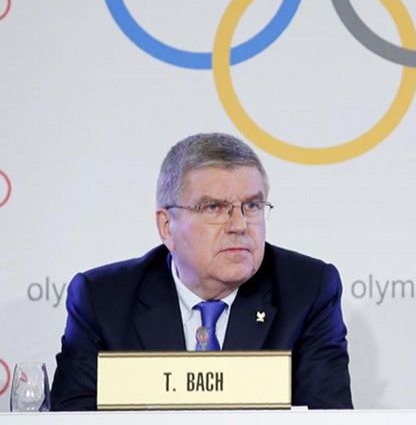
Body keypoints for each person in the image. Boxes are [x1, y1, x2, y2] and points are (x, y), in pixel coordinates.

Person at [50, 132, 352, 410]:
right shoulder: (101, 300)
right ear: (167, 226)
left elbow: (325, 417)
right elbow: (73, 418)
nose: (239, 226)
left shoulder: (307, 291)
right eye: (214, 208)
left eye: (252, 206)